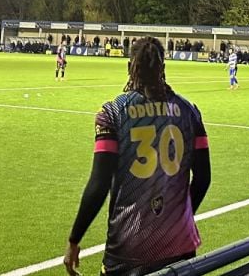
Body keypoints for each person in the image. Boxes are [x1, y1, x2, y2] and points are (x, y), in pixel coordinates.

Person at [64, 37, 211, 276]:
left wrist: (74, 240)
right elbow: (203, 178)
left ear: (130, 67)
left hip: (129, 247)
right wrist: (176, 219)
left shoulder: (112, 113)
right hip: (180, 243)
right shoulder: (189, 112)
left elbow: (99, 184)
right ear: (163, 68)